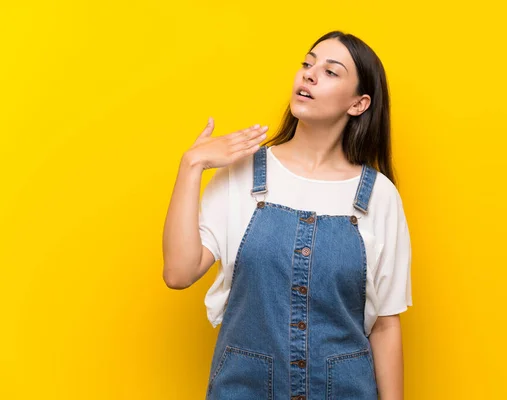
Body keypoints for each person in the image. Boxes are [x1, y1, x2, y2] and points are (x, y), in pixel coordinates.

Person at [162, 30, 413, 399]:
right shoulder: (242, 172)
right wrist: (191, 165)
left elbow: (386, 326)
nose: (309, 74)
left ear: (358, 104)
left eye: (330, 72)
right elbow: (179, 273)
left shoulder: (379, 196)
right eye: (307, 64)